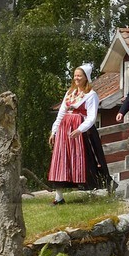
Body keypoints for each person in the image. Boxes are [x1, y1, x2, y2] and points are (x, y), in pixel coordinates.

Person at [47, 64, 110, 204]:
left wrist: (80, 129)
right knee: (61, 161)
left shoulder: (91, 95)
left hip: (80, 132)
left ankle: (92, 194)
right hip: (65, 132)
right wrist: (54, 131)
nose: (76, 78)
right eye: (75, 75)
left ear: (86, 78)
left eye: (79, 75)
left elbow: (92, 117)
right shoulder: (70, 93)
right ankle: (59, 197)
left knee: (84, 160)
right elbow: (61, 113)